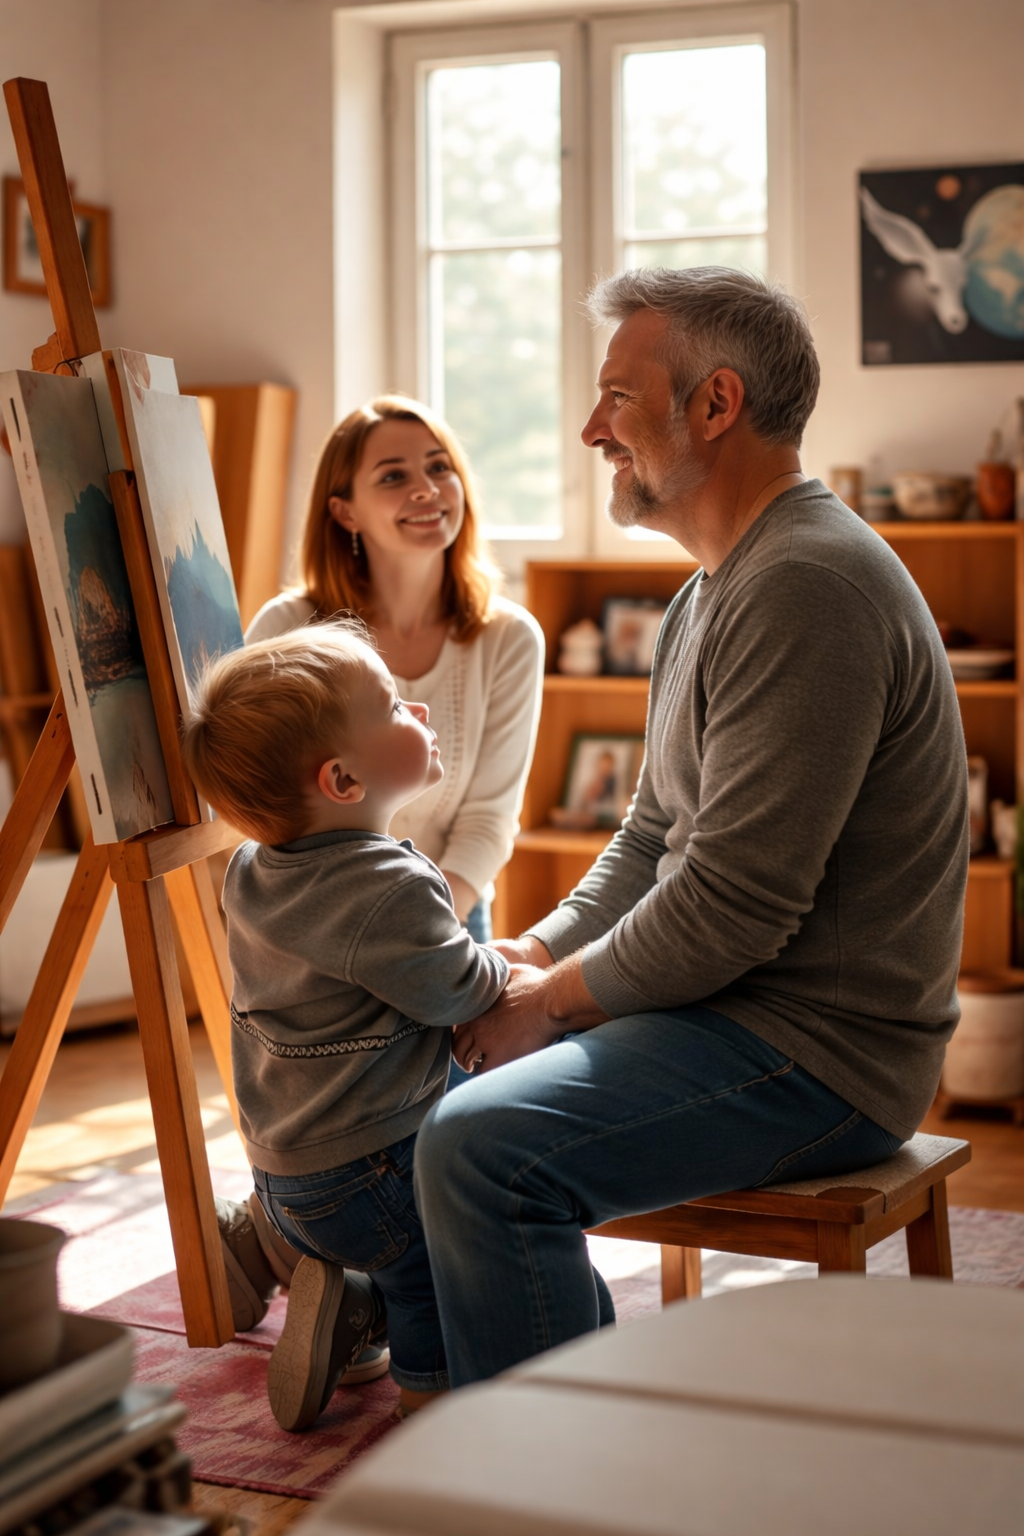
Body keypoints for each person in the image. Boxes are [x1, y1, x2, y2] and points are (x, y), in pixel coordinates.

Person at [412, 266, 970, 1387]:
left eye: (618, 397)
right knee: (423, 1056)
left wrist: (547, 1006)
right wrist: (532, 955)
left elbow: (730, 905)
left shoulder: (807, 585)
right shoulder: (715, 587)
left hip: (819, 1055)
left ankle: (549, 1473)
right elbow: (651, 837)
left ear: (714, 407)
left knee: (479, 1146)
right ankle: (449, 1385)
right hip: (737, 1010)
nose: (588, 428)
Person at [213, 394, 544, 1357]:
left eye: (438, 465)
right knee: (358, 1126)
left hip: (437, 911)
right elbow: (269, 788)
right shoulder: (292, 626)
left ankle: (310, 1256)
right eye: (393, 474)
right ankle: (333, 1257)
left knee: (422, 1134)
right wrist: (368, 920)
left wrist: (423, 922)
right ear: (343, 508)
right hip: (327, 913)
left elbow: (487, 817)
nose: (427, 489)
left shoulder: (505, 636)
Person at [181, 624, 523, 1430]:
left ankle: (342, 1303)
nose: (418, 707)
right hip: (376, 1174)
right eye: (392, 707)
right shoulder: (387, 888)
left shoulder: (249, 870)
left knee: (381, 1259)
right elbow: (460, 991)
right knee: (435, 1266)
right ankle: (431, 1403)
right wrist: (501, 966)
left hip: (288, 1174)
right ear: (341, 778)